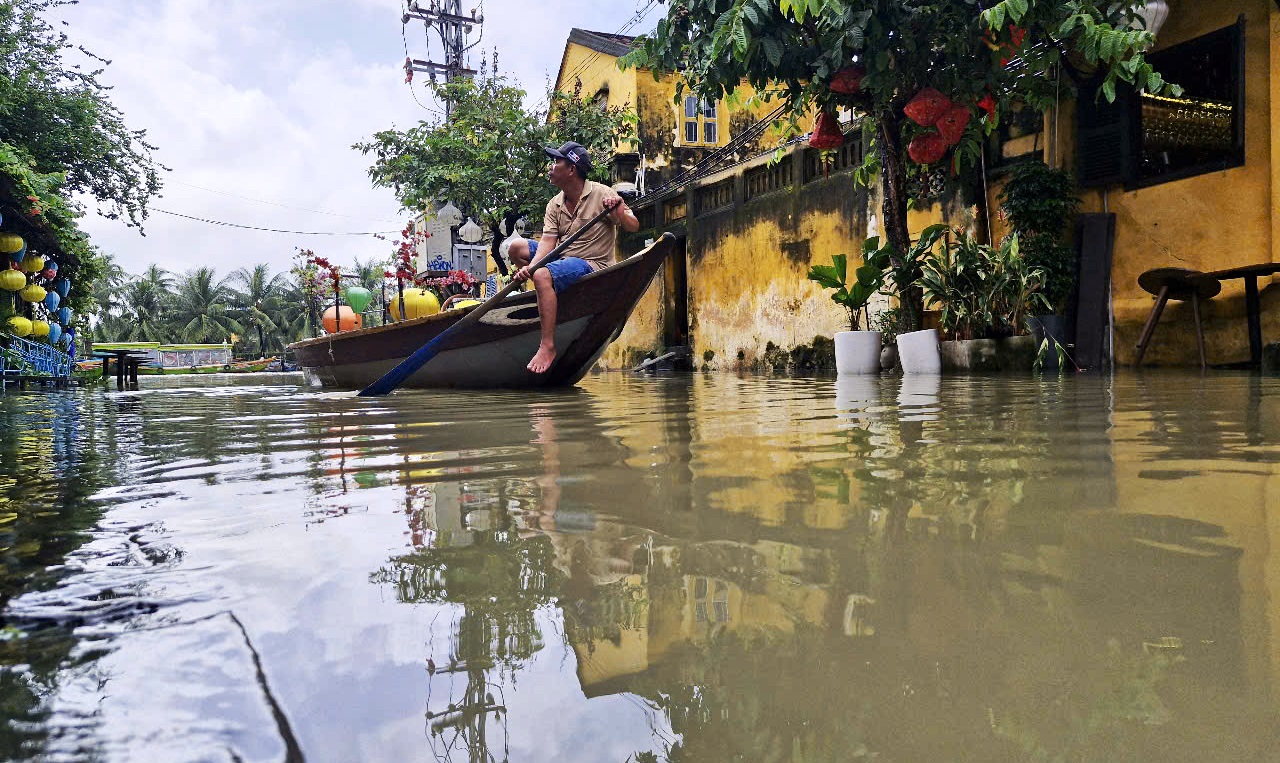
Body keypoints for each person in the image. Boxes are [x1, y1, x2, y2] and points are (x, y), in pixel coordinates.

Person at [512, 141, 640, 374]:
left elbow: (633, 226)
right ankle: (547, 291)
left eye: (556, 162)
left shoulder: (603, 194)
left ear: (571, 169)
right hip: (562, 258)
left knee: (542, 274)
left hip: (591, 265)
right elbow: (547, 243)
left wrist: (618, 209)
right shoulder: (555, 204)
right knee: (516, 248)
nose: (551, 167)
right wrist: (530, 266)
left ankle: (548, 345)